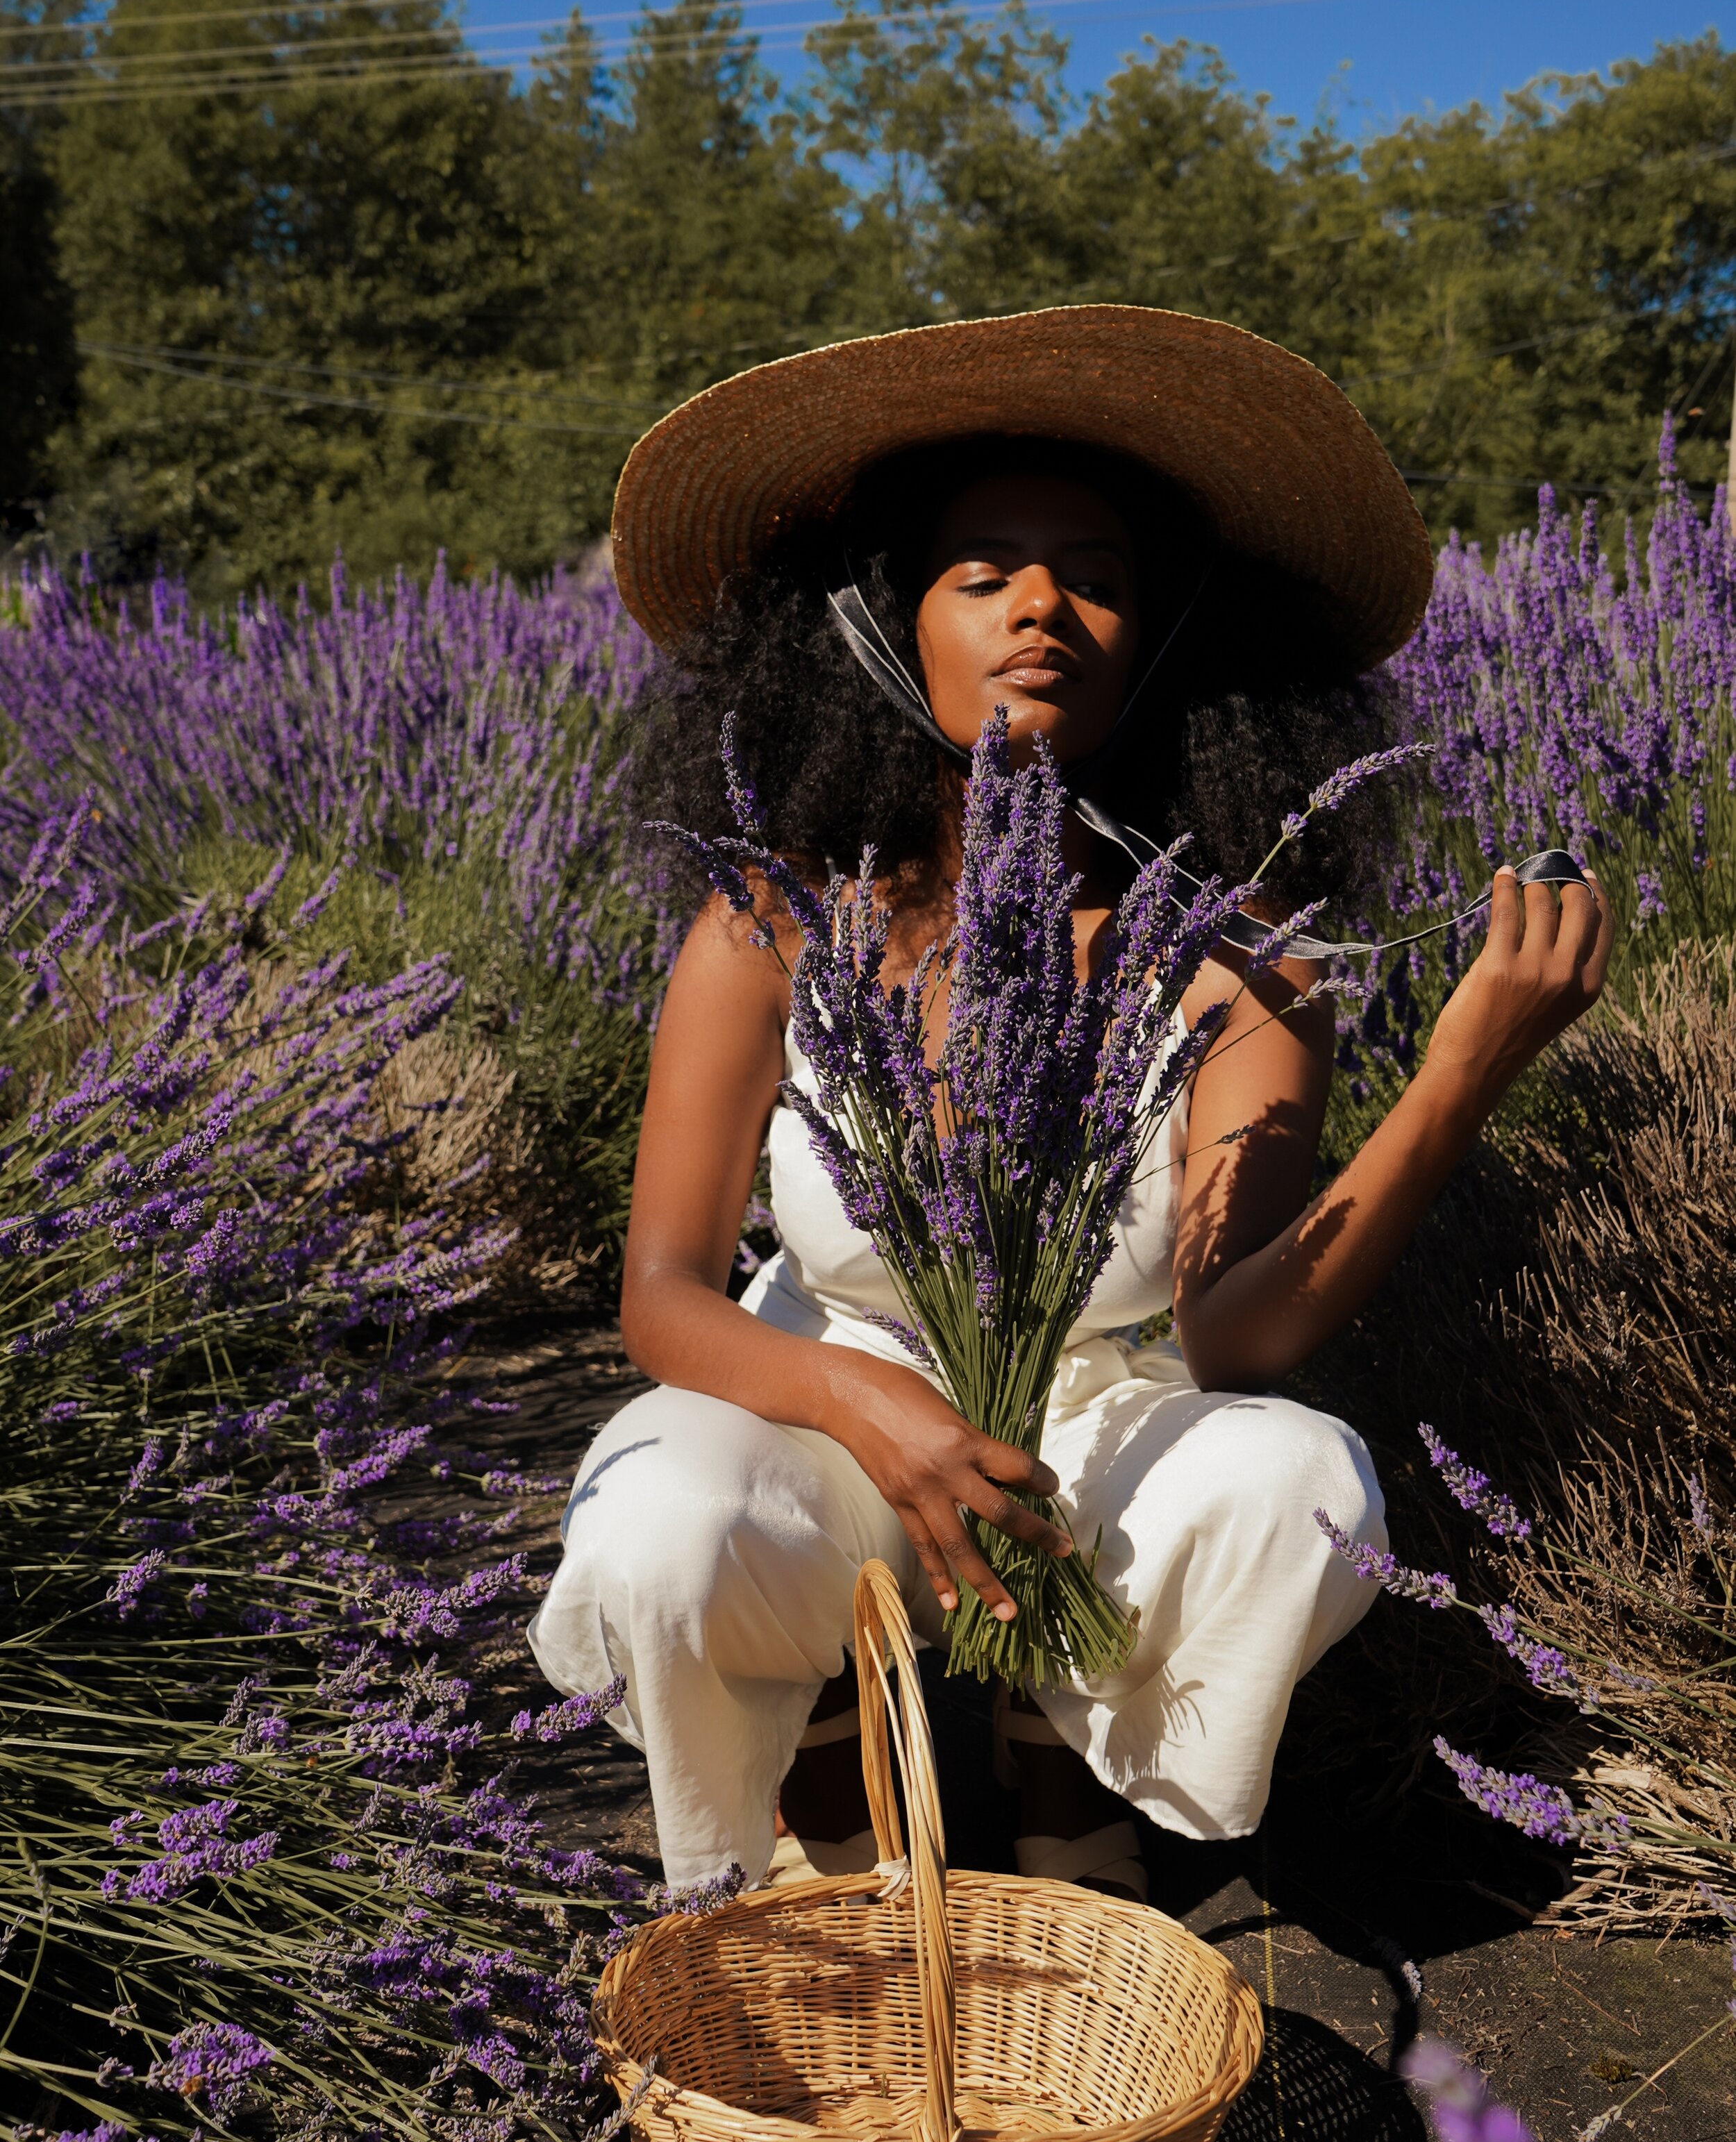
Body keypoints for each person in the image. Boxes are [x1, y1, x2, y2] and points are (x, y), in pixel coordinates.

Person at [527, 304, 1612, 1897]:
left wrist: (1456, 1078)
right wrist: (863, 1402)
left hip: (1090, 1433)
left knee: (1296, 1479)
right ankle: (821, 1770)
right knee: (663, 1525)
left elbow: (1232, 1331)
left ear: (1161, 636)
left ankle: (1065, 1769)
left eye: (1093, 573)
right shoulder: (770, 919)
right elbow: (661, 1293)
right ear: (887, 626)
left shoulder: (1239, 960)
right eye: (980, 572)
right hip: (822, 1406)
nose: (1040, 607)